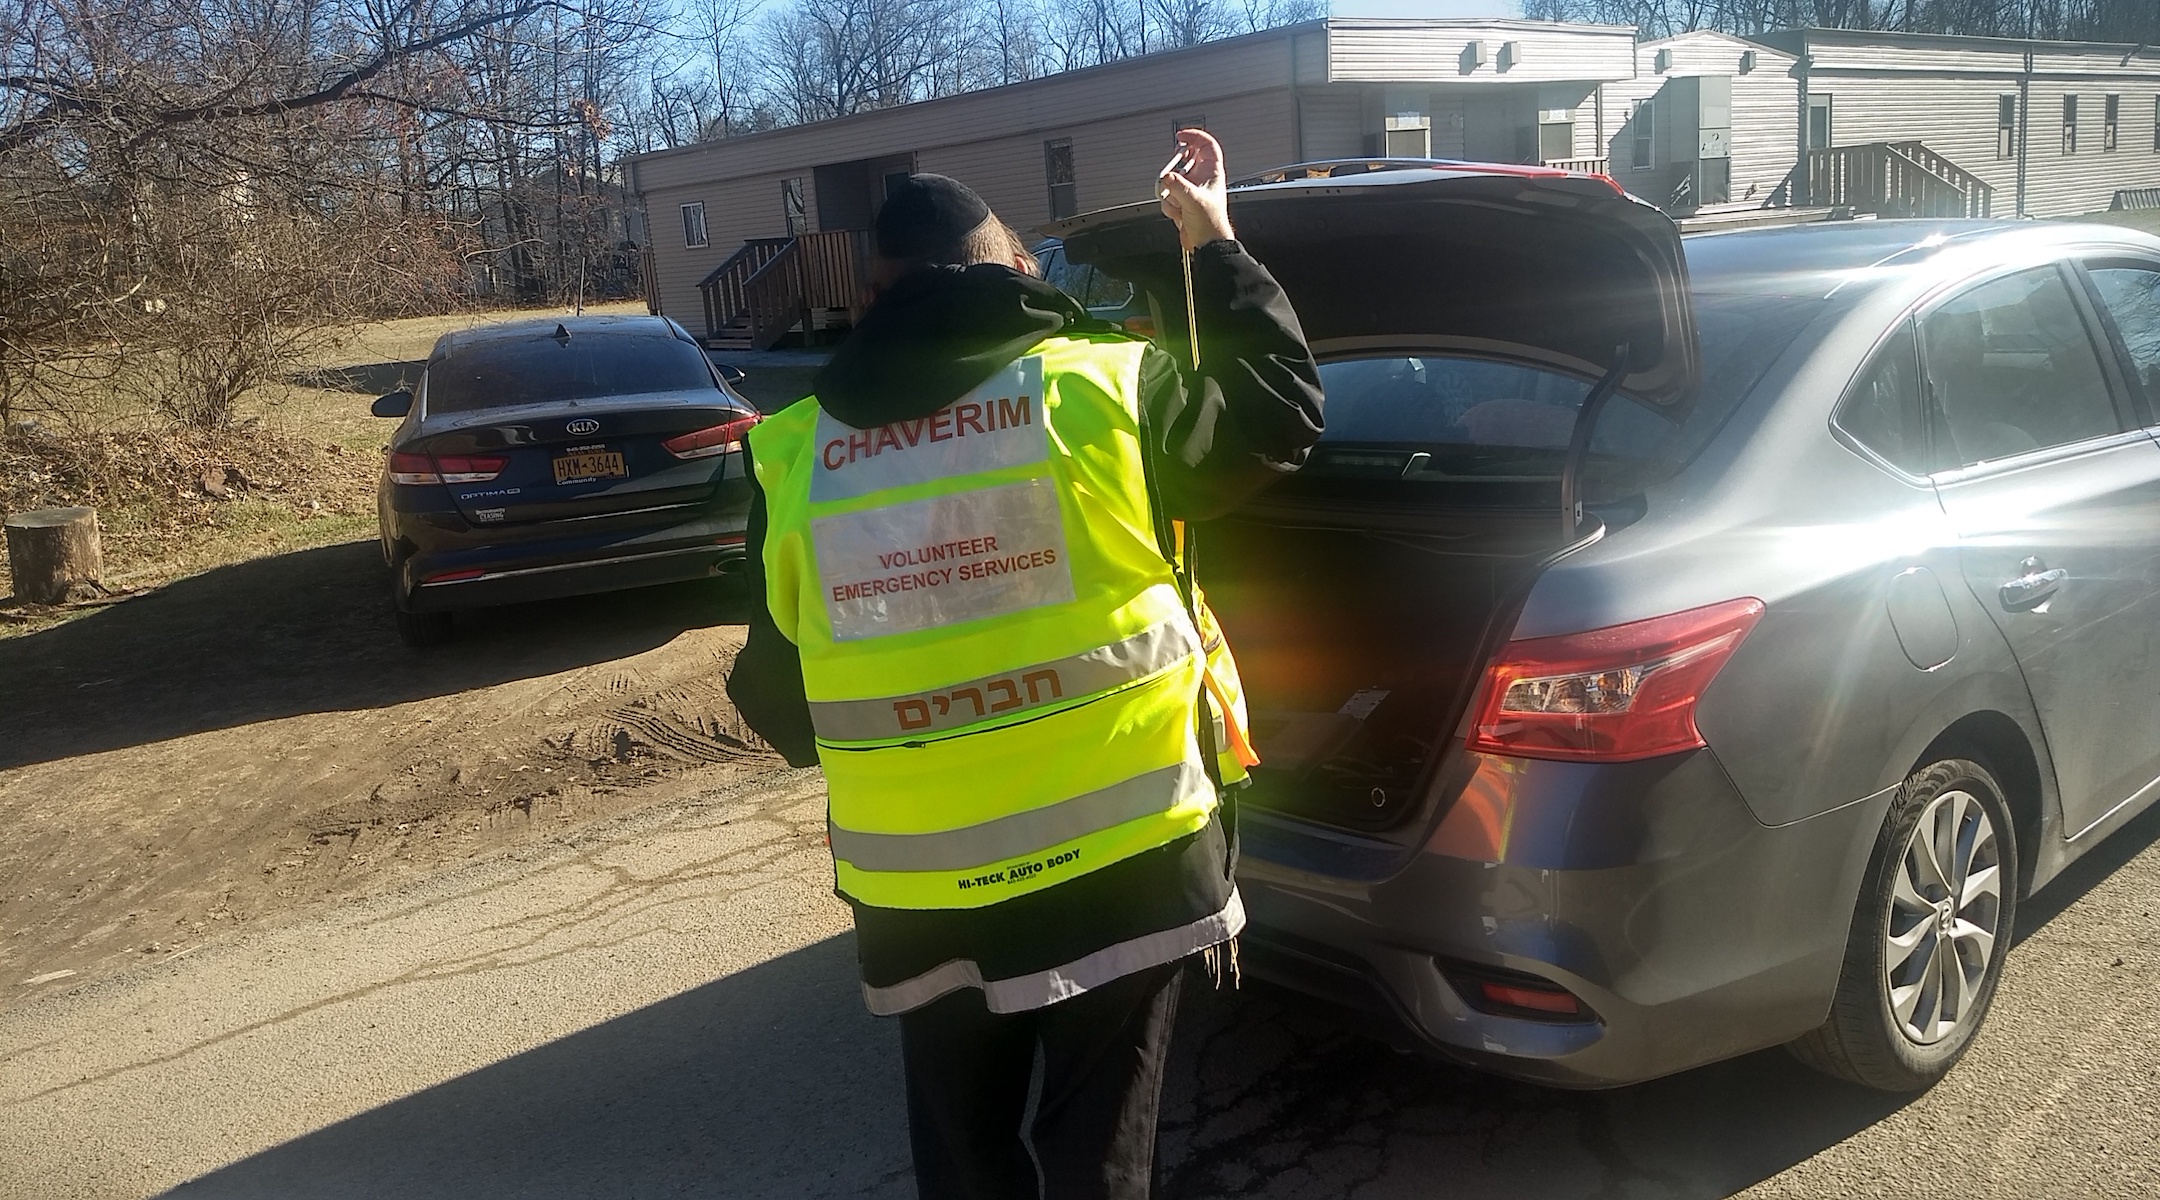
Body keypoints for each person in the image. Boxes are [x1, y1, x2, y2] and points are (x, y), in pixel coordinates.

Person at [727, 129, 1321, 1199]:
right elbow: (1279, 412)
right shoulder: (1106, 393)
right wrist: (1217, 242)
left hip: (917, 883)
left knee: (963, 1157)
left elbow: (773, 691)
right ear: (1012, 268)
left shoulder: (791, 452)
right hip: (1124, 855)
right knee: (1100, 1155)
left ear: (876, 291)